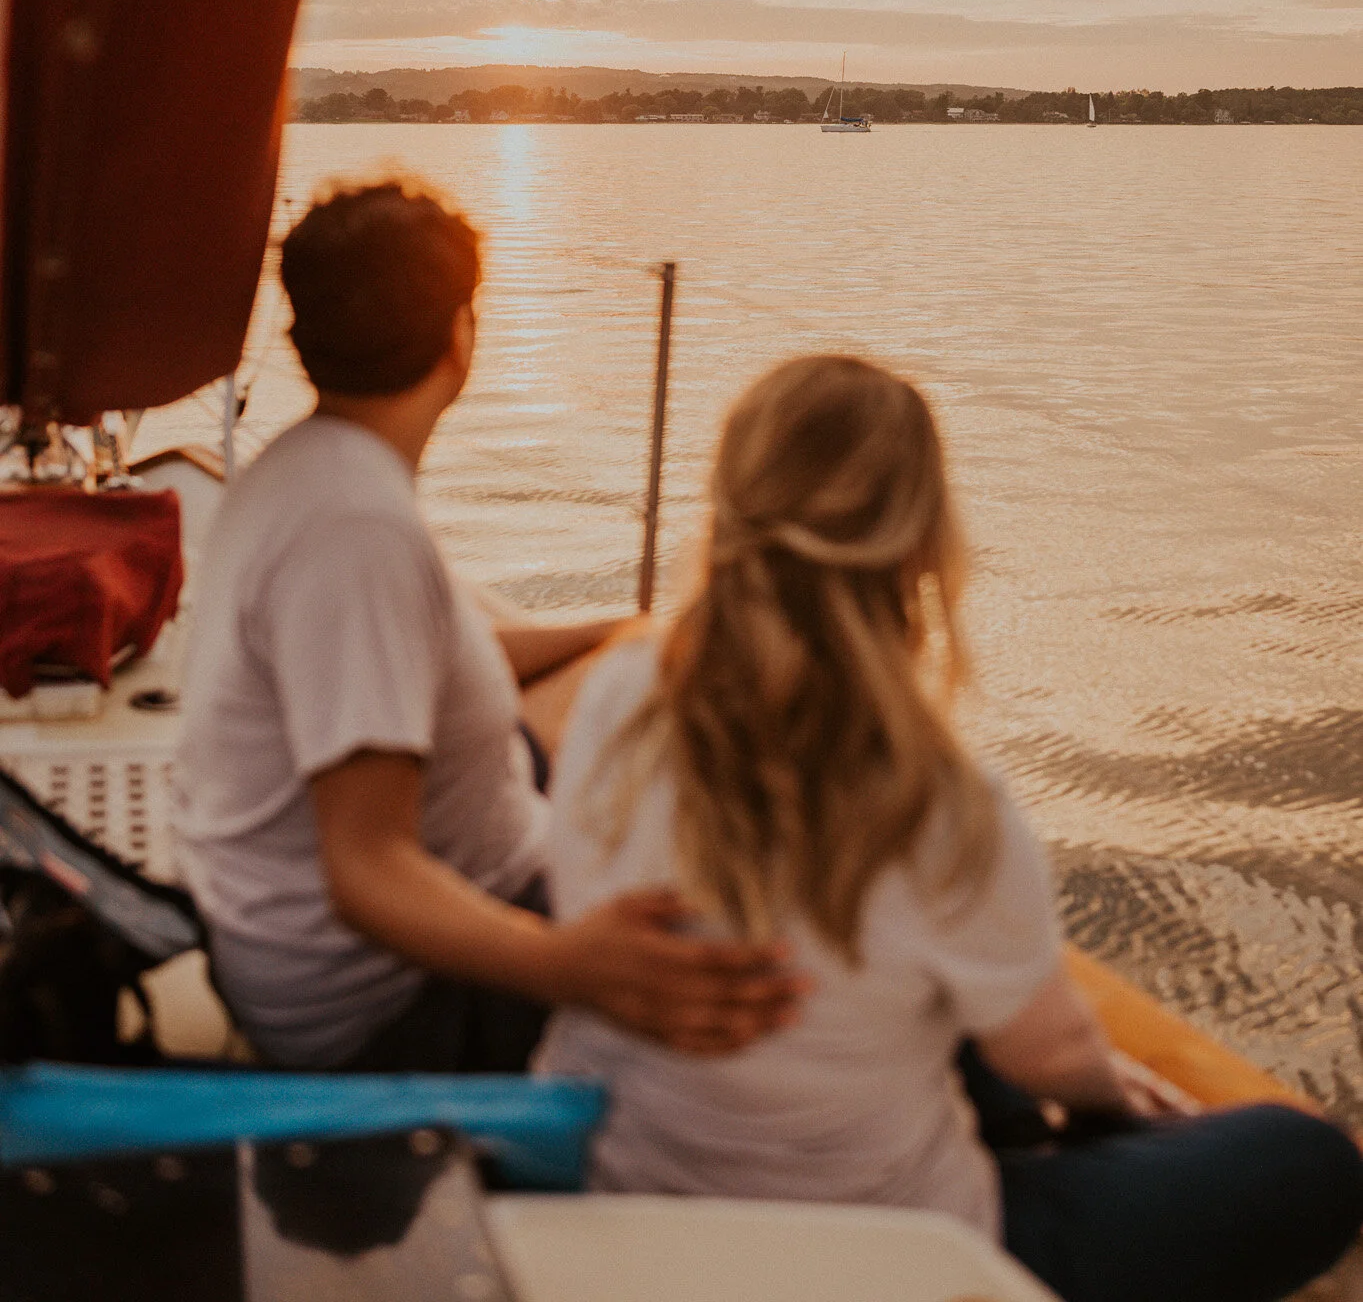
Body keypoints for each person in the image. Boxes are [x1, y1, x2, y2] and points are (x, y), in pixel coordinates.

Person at [536, 354, 1363, 1302]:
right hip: (891, 1257)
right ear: (921, 545)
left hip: (632, 1196)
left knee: (940, 1011)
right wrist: (1118, 1099)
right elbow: (1048, 1055)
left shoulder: (614, 700)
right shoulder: (940, 809)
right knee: (1305, 1161)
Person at [173, 177, 802, 1073]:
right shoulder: (355, 531)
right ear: (459, 337)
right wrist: (568, 967)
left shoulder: (306, 469)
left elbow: (416, 667)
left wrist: (610, 630)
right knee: (759, 911)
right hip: (387, 1007)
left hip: (419, 876)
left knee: (639, 675)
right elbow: (367, 867)